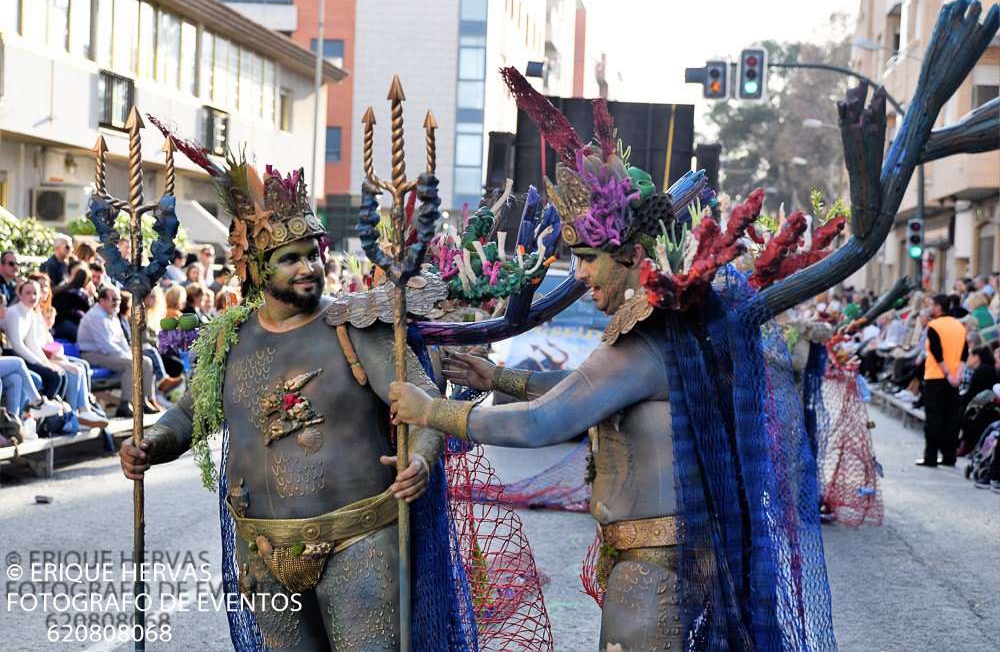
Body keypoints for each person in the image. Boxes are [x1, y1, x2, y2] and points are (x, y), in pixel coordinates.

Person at [391, 71, 835, 650]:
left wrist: (431, 413)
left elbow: (544, 422)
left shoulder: (646, 336)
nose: (578, 275)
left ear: (626, 252)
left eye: (586, 258)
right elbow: (587, 388)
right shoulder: (666, 329)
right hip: (668, 557)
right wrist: (497, 376)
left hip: (657, 569)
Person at [118, 159, 470, 650]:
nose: (310, 268)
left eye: (314, 254)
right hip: (260, 548)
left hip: (359, 540)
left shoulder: (356, 324)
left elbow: (426, 404)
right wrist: (150, 445)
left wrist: (421, 458)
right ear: (258, 268)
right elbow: (189, 415)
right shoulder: (229, 337)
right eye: (291, 258)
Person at [3, 279, 107, 428]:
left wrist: (46, 363)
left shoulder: (31, 313)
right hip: (13, 354)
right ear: (19, 294)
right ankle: (44, 416)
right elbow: (18, 345)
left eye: (35, 294)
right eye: (28, 293)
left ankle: (57, 419)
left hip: (23, 355)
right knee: (54, 376)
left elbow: (32, 343)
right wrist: (42, 363)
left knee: (59, 374)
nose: (32, 297)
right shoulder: (14, 312)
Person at [77, 287, 159, 418]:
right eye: (113, 299)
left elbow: (121, 341)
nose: (116, 302)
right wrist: (128, 356)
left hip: (108, 353)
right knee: (131, 364)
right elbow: (105, 346)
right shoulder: (95, 316)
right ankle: (124, 405)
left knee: (146, 362)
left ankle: (143, 401)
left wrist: (130, 354)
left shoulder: (112, 315)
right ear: (102, 300)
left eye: (118, 299)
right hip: (93, 354)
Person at [917, 294, 969, 467]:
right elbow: (964, 354)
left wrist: (947, 373)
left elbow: (936, 352)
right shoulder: (959, 326)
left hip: (936, 377)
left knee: (933, 418)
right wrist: (957, 375)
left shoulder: (934, 326)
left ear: (938, 307)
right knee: (950, 418)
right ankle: (949, 456)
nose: (931, 308)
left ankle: (930, 456)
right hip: (953, 379)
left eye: (932, 304)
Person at [51, 267, 95, 341]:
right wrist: (92, 296)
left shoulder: (61, 288)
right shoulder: (82, 294)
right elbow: (89, 311)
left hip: (53, 320)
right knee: (84, 336)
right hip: (61, 321)